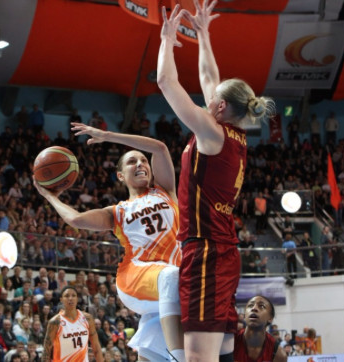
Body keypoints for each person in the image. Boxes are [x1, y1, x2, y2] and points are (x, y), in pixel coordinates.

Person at [158, 1, 274, 361]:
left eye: (214, 98)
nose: (208, 96)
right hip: (221, 250)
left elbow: (165, 81)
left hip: (207, 252)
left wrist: (166, 38)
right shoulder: (232, 132)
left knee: (198, 358)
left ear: (220, 107)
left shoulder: (211, 131)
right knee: (219, 353)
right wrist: (204, 34)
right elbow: (211, 77)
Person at [36, 124, 185, 361]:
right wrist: (49, 196)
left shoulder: (165, 191)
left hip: (165, 288)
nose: (140, 164)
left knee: (153, 350)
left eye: (143, 161)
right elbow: (75, 218)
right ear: (120, 175)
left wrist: (107, 136)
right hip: (135, 277)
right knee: (171, 276)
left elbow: (160, 148)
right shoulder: (117, 212)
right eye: (131, 162)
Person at [42, 286, 103, 362]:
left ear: (77, 299)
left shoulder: (87, 318)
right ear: (61, 299)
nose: (70, 298)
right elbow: (46, 352)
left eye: (73, 295)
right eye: (67, 296)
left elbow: (96, 347)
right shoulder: (55, 322)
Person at [233, 296, 287, 362]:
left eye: (261, 306)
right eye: (250, 305)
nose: (254, 308)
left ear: (270, 318)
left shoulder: (279, 354)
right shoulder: (231, 341)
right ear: (244, 316)